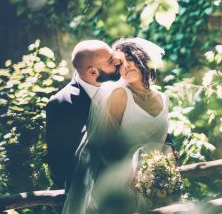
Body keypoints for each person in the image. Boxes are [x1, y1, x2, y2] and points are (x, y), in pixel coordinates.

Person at [63, 38, 171, 213]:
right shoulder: (119, 96)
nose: (126, 66)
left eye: (130, 59)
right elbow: (103, 148)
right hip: (122, 185)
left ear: (141, 58)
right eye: (119, 64)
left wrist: (164, 161)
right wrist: (133, 171)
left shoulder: (163, 98)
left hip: (156, 184)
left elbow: (162, 139)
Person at [45, 40, 121, 191]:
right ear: (93, 72)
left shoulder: (122, 86)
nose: (118, 62)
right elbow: (58, 167)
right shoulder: (60, 105)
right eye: (111, 61)